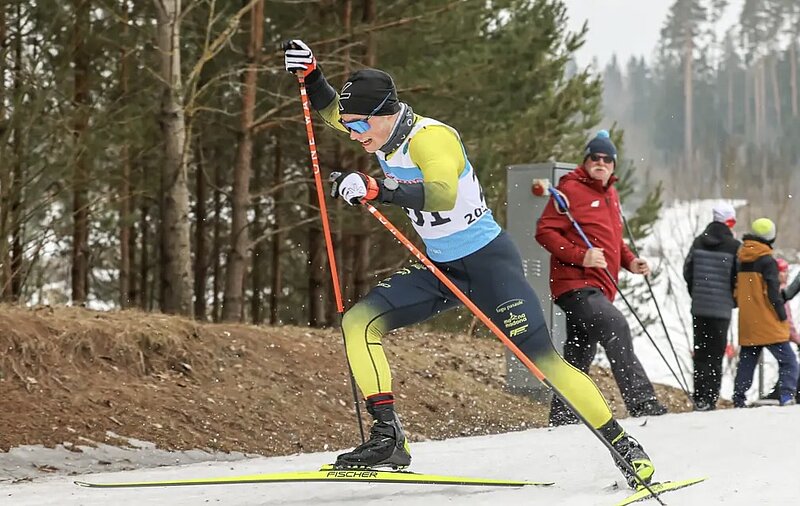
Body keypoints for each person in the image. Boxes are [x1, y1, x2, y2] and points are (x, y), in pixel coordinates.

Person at [284, 40, 656, 488]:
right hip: (440, 267)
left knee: (543, 361)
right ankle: (388, 436)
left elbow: (441, 193)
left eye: (360, 125)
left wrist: (377, 189)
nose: (354, 134)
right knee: (359, 321)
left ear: (386, 113)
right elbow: (329, 112)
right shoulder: (378, 128)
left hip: (488, 264)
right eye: (350, 126)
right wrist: (312, 75)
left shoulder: (431, 138)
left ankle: (626, 449)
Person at [535, 131, 667, 426]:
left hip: (600, 286)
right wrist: (580, 255)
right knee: (616, 326)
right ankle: (642, 401)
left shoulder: (610, 194)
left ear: (614, 166)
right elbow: (544, 231)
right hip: (575, 284)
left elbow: (613, 240)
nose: (601, 163)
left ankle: (563, 414)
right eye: (595, 157)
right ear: (586, 160)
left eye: (607, 159)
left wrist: (631, 261)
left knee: (579, 351)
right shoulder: (570, 190)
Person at [732, 219, 799, 408]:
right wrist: (781, 316)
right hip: (767, 320)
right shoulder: (767, 261)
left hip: (747, 320)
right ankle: (786, 397)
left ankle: (738, 398)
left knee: (747, 362)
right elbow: (772, 293)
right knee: (789, 361)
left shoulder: (741, 259)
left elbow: (737, 291)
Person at [682, 203, 740, 411]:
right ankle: (711, 398)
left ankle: (700, 398)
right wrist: (733, 301)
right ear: (729, 222)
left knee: (701, 354)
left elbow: (687, 271)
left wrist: (695, 293)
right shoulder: (734, 246)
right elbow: (738, 278)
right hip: (721, 310)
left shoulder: (699, 242)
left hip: (699, 308)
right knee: (716, 355)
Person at [761, 258, 800, 402]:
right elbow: (787, 319)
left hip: (776, 332)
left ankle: (782, 391)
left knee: (788, 363)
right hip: (778, 332)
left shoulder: (773, 288)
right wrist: (796, 338)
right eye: (782, 272)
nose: (786, 275)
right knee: (790, 363)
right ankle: (784, 393)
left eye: (786, 272)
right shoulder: (779, 291)